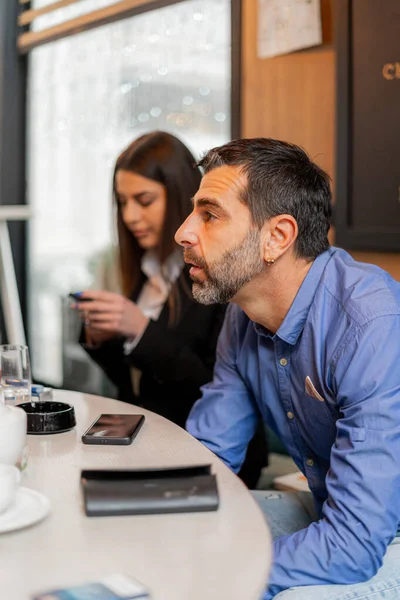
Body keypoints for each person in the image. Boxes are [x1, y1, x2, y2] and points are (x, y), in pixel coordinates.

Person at [174, 137, 400, 599]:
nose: (183, 232)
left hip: (380, 538)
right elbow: (209, 457)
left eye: (210, 214)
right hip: (334, 513)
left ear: (277, 237)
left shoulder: (372, 325)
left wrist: (210, 576)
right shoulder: (244, 313)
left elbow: (354, 544)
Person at [73, 131, 268, 488]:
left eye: (144, 200)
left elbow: (217, 386)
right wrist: (104, 339)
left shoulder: (221, 274)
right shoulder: (146, 269)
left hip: (211, 456)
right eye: (123, 202)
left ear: (182, 196)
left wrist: (140, 331)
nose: (131, 216)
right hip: (148, 441)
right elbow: (140, 387)